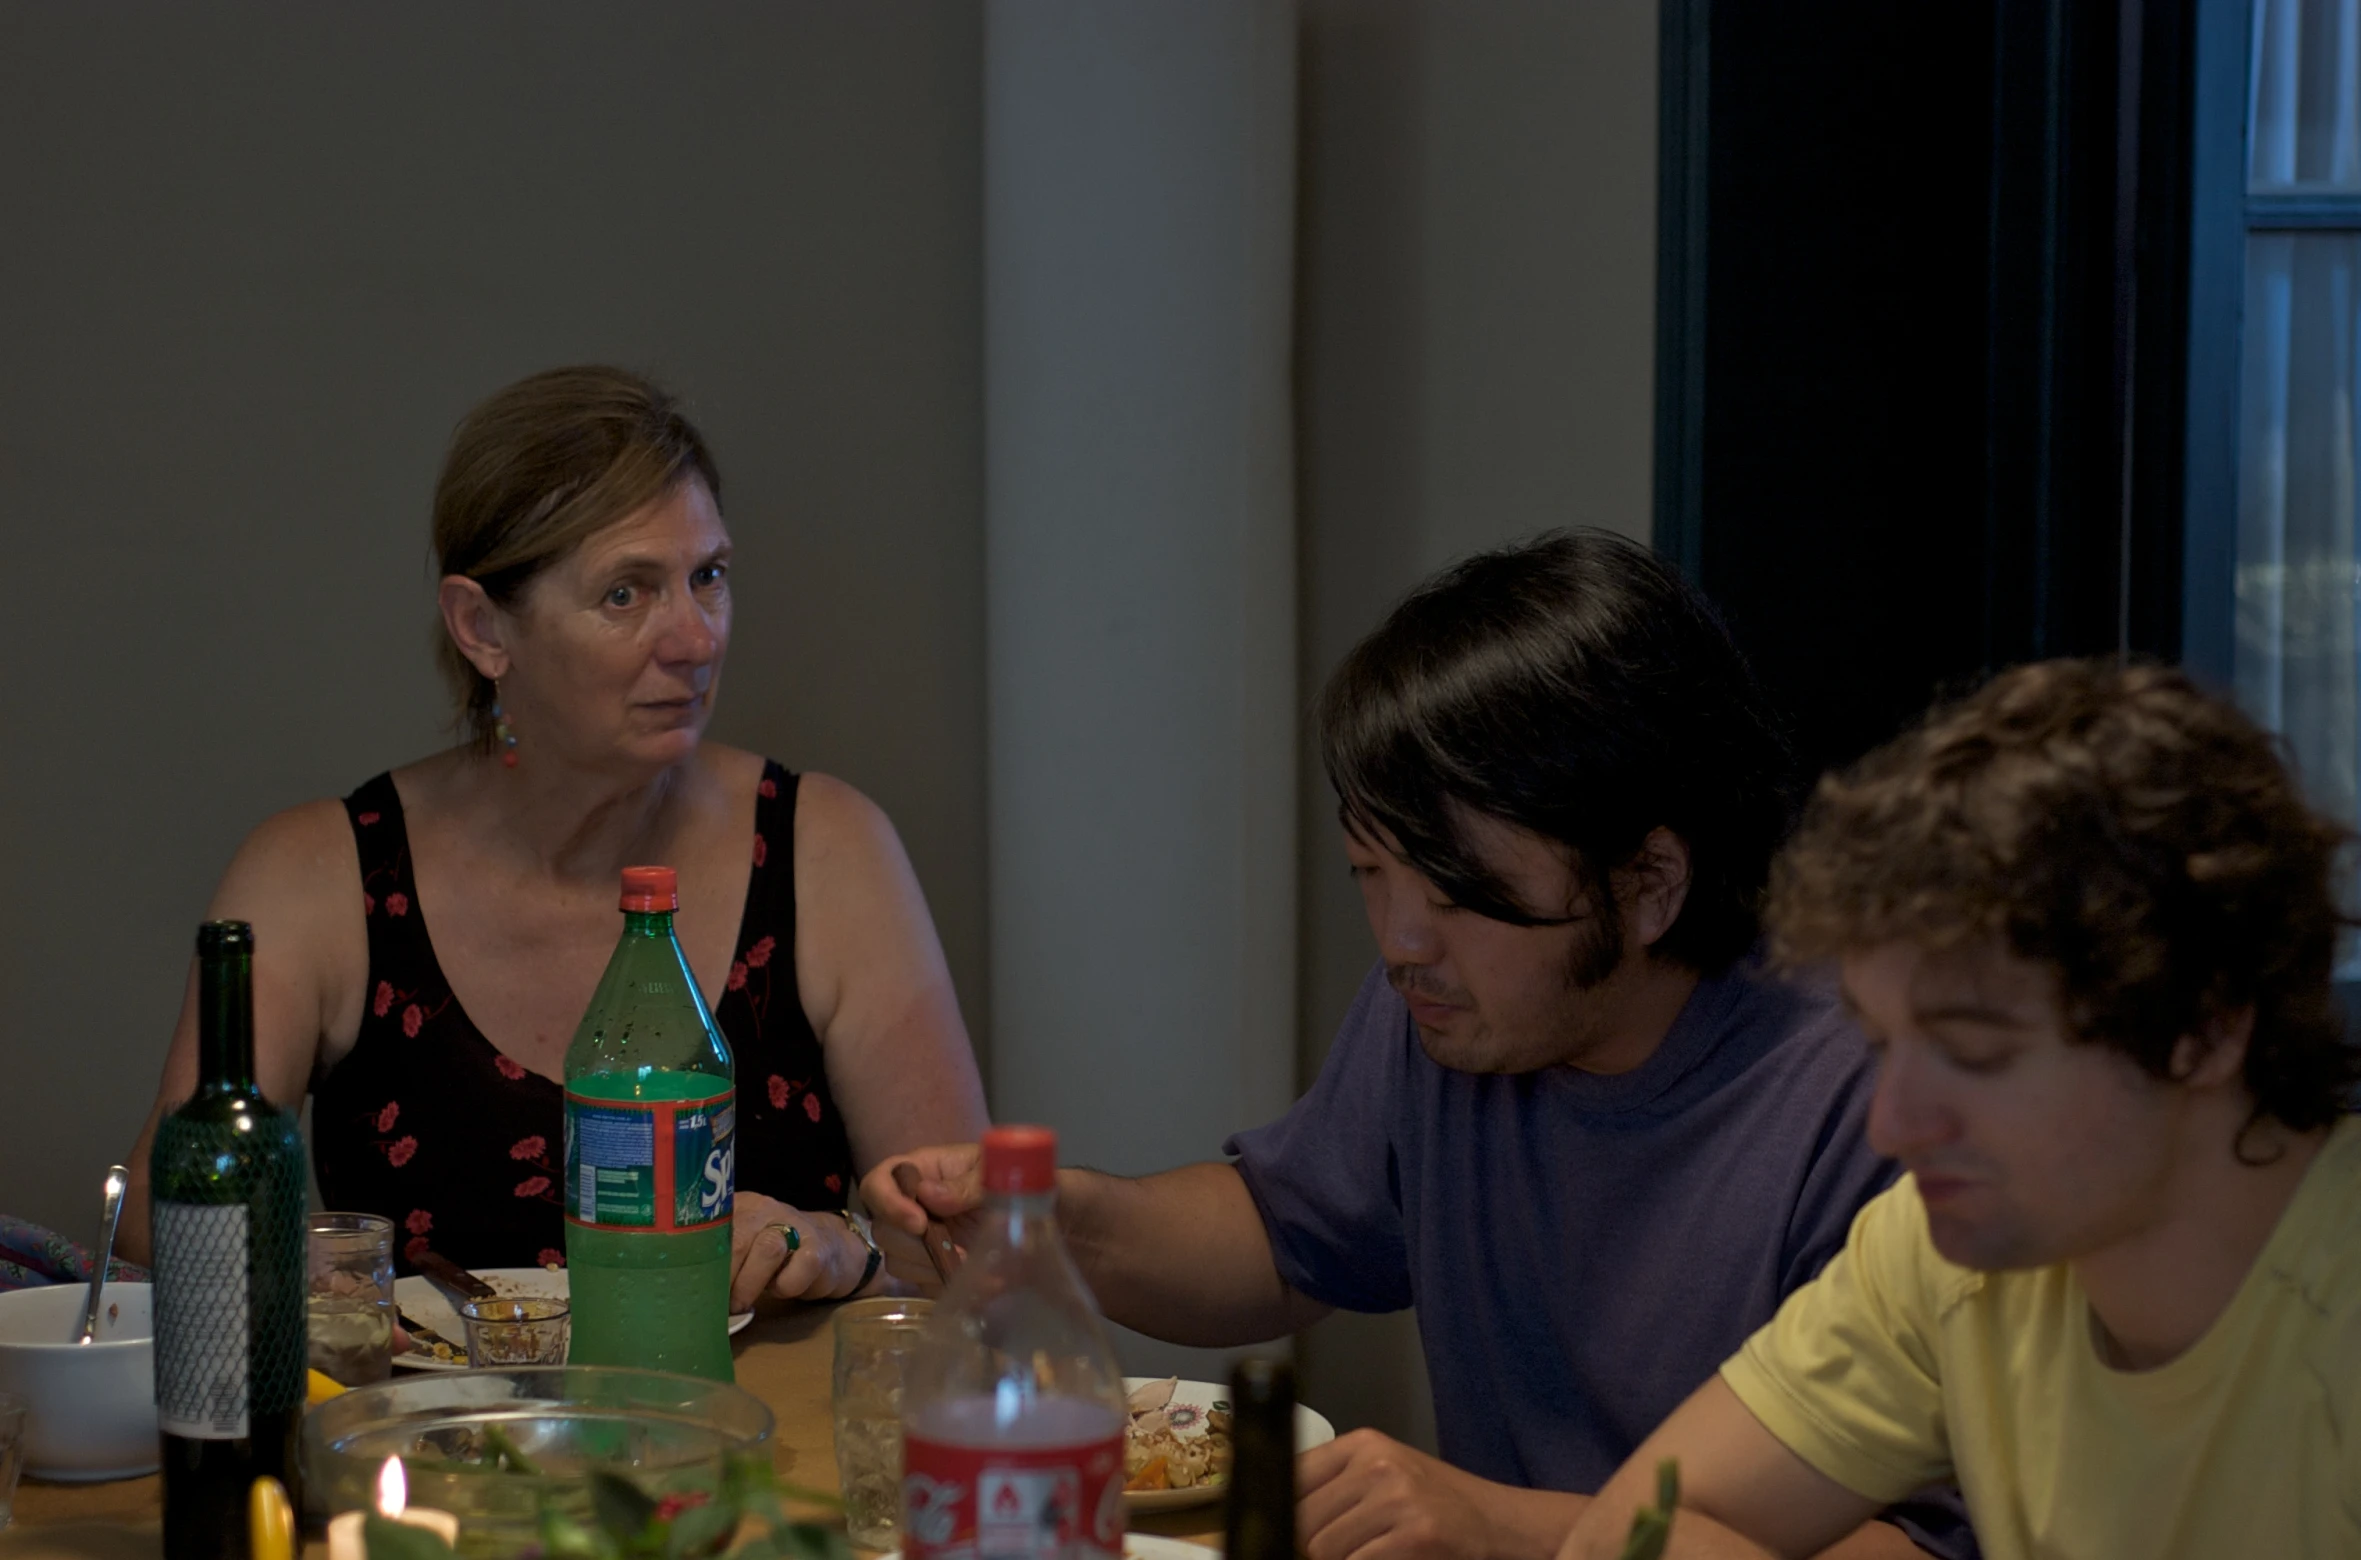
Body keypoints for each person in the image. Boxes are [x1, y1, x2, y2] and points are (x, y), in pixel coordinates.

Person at [870, 532, 1973, 1560]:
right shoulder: (1448, 1012)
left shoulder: (1869, 1094)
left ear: (1649, 884)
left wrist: (1505, 1530)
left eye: (1455, 887)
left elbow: (1913, 1546)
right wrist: (1061, 1229)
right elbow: (1287, 1234)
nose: (1399, 942)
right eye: (1370, 871)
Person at [120, 365, 988, 1310]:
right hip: (446, 1446)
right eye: (627, 593)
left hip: (768, 1447)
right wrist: (321, 1274)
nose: (695, 639)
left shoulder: (824, 848)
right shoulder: (323, 876)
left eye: (709, 577)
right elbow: (164, 1229)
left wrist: (838, 1246)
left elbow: (967, 1251)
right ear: (483, 627)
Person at [1558, 659, 2361, 1560]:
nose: (1892, 1127)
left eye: (1975, 1053)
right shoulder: (1942, 1253)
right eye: (1879, 1042)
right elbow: (1639, 1528)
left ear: (2204, 1032)